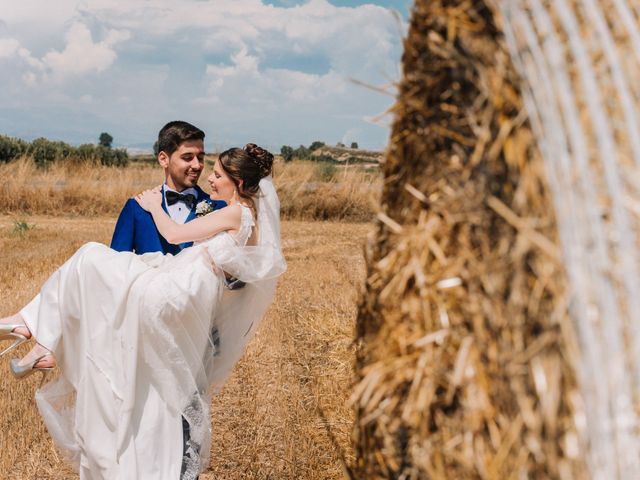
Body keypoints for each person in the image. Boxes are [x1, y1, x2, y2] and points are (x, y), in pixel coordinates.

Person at [0, 144, 286, 480]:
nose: (210, 178)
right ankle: (39, 335)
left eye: (219, 175)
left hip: (174, 295)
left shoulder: (237, 213)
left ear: (239, 183)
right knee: (91, 267)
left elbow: (174, 233)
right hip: (180, 290)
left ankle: (36, 331)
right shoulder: (248, 220)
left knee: (90, 259)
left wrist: (152, 205)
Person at [111, 120, 225, 255]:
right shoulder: (136, 207)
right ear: (164, 159)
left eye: (200, 158)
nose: (197, 165)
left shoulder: (218, 208)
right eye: (187, 157)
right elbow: (116, 265)